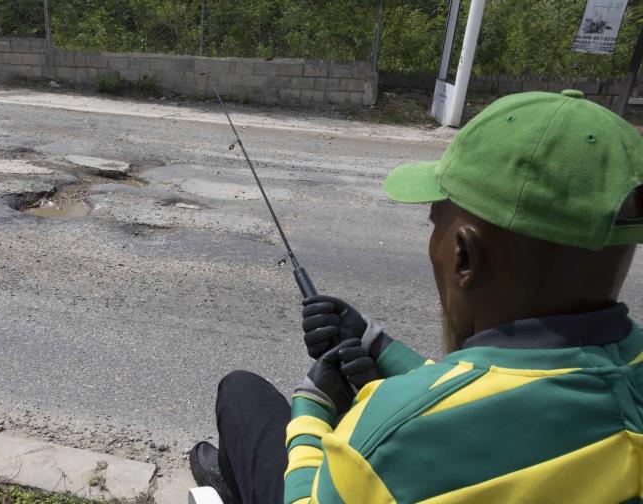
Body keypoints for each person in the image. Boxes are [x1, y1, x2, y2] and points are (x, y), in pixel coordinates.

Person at [189, 89, 643, 503]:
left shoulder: (388, 438)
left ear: (465, 256)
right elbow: (503, 390)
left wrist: (313, 406)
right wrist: (376, 343)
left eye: (435, 223)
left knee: (241, 393)